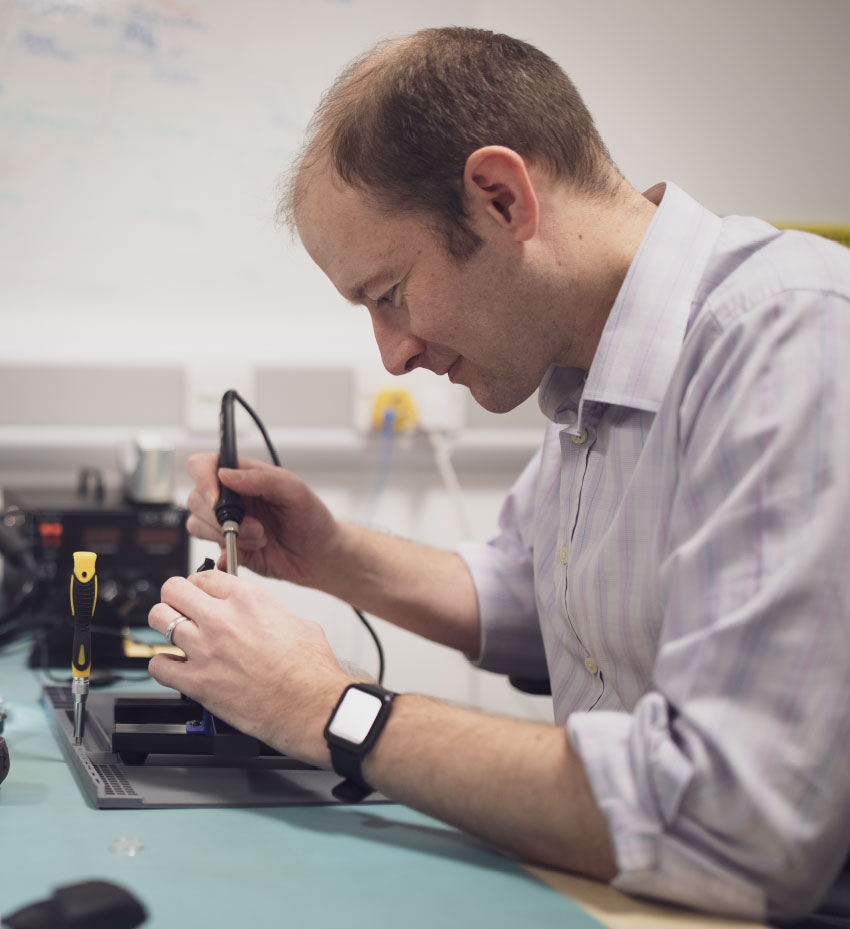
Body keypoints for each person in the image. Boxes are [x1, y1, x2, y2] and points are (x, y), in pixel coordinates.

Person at [147, 27, 850, 922]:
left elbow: (735, 815)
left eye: (390, 292)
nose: (394, 354)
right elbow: (532, 597)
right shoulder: (580, 372)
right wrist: (332, 554)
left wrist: (322, 706)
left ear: (500, 196)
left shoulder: (792, 335)